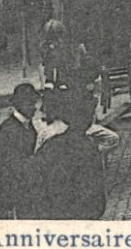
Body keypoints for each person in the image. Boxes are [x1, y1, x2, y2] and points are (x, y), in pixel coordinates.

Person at [24, 89, 107, 219]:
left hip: (57, 215)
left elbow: (36, 178)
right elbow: (96, 195)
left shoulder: (48, 146)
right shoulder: (86, 145)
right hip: (84, 213)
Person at [0, 82, 41, 218]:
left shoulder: (26, 124)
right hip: (10, 186)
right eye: (30, 104)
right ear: (19, 105)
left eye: (34, 103)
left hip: (24, 180)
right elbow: (4, 166)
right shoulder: (8, 130)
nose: (34, 108)